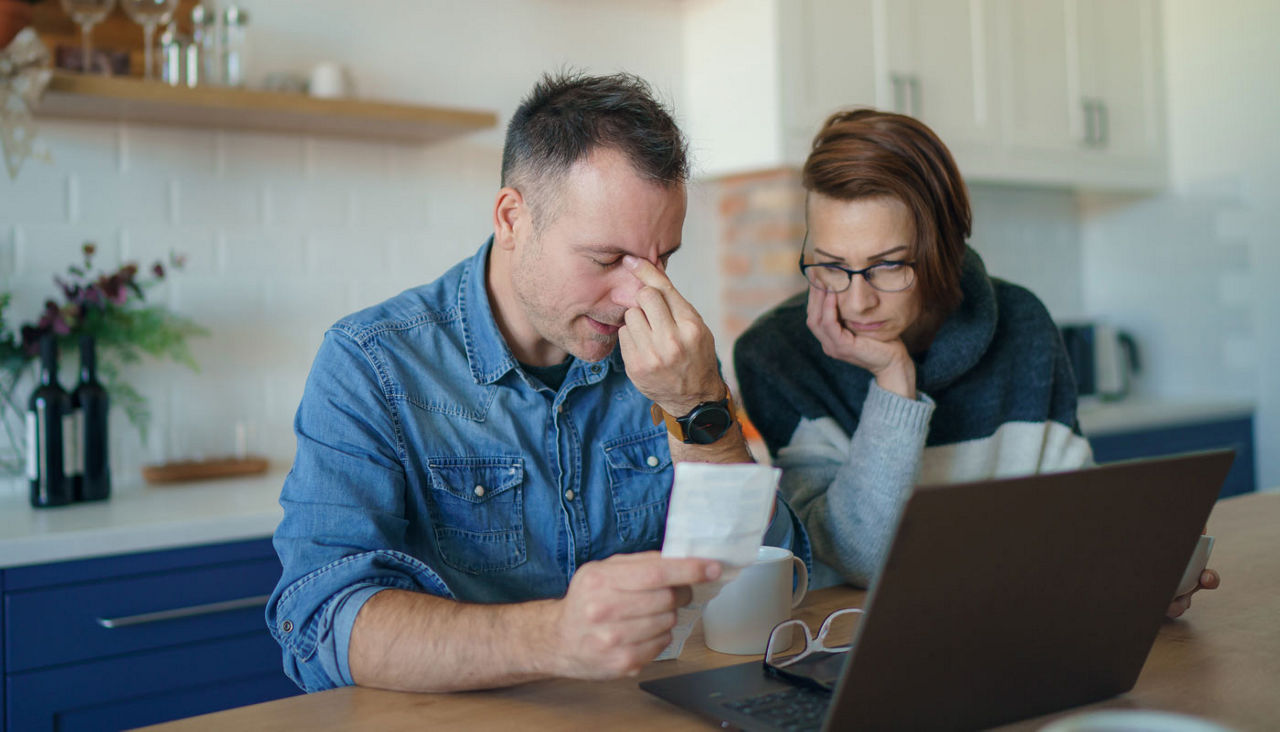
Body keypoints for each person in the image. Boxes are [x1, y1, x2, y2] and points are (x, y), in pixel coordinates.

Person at [267, 71, 809, 694]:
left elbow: (764, 578)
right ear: (512, 219)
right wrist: (556, 637)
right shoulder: (371, 364)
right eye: (608, 260)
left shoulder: (670, 360)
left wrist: (699, 407)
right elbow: (319, 620)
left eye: (663, 260)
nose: (641, 294)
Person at [732, 108, 1216, 618]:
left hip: (1013, 627)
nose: (856, 304)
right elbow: (860, 560)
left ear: (945, 249)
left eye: (888, 265)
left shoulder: (1022, 324)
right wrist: (895, 381)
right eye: (831, 266)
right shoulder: (776, 355)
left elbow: (1073, 514)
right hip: (851, 644)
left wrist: (1135, 576)